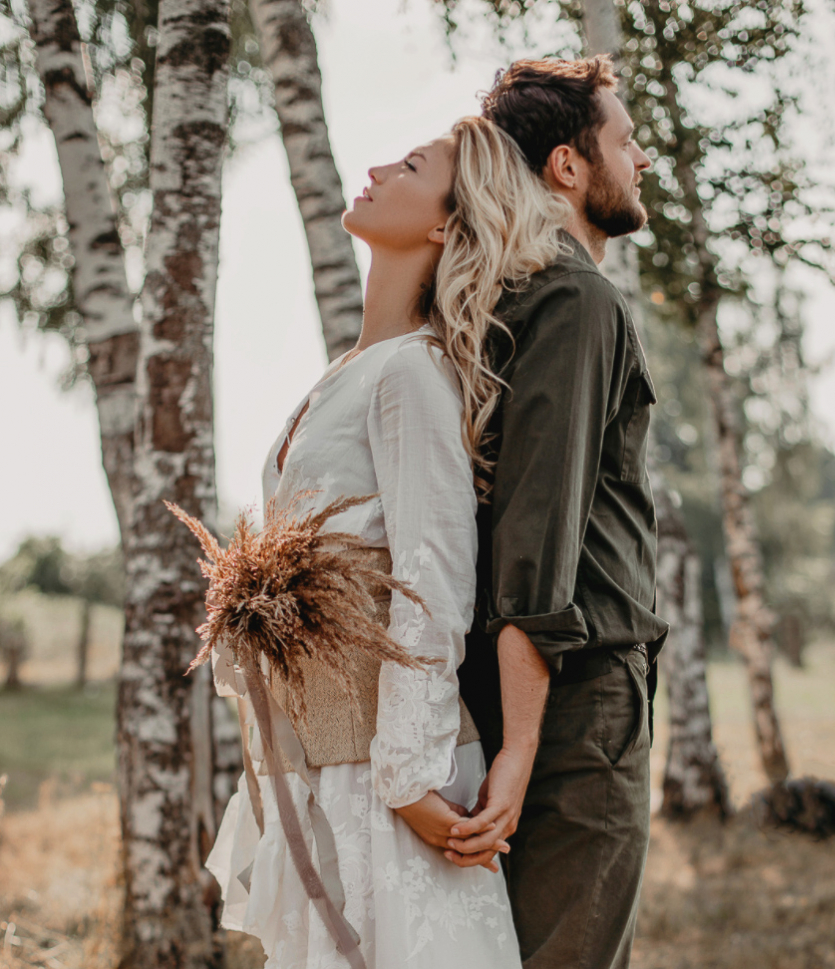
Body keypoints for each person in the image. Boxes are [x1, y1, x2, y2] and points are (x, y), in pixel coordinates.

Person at [205, 115, 570, 968]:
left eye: (410, 165)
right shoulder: (345, 372)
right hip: (327, 762)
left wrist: (408, 781)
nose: (374, 169)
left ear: (446, 225)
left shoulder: (413, 371)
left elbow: (432, 582)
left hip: (393, 769)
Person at [449, 57, 670, 969]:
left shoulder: (506, 298)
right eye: (626, 141)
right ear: (569, 166)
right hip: (577, 703)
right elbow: (535, 542)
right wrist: (525, 744)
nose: (643, 159)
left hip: (529, 693)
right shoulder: (577, 299)